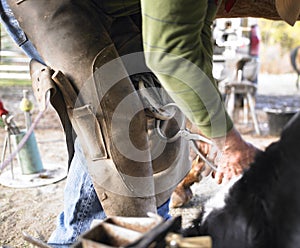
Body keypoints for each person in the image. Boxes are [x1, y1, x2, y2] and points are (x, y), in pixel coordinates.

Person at [1, 0, 257, 246]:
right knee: (111, 121)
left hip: (116, 9)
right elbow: (172, 53)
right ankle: (72, 241)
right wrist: (230, 143)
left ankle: (152, 231)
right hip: (52, 4)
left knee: (161, 109)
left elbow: (196, 34)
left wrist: (204, 113)